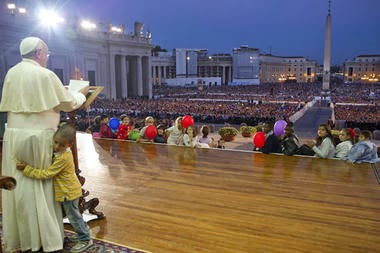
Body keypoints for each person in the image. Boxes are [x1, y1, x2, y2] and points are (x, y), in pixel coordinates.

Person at [0, 37, 88, 252]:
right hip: (38, 137)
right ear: (39, 52)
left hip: (13, 134)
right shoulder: (45, 74)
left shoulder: (12, 72)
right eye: (46, 54)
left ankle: (23, 237)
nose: (47, 58)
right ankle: (45, 238)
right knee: (39, 184)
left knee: (20, 185)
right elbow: (68, 103)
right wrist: (80, 93)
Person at [16, 125, 93, 252]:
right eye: (55, 142)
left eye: (61, 145)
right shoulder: (60, 153)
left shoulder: (63, 157)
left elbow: (47, 174)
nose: (57, 146)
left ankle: (85, 239)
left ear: (70, 145)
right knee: (73, 215)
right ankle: (83, 234)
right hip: (67, 191)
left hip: (69, 192)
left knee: (74, 217)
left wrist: (27, 169)